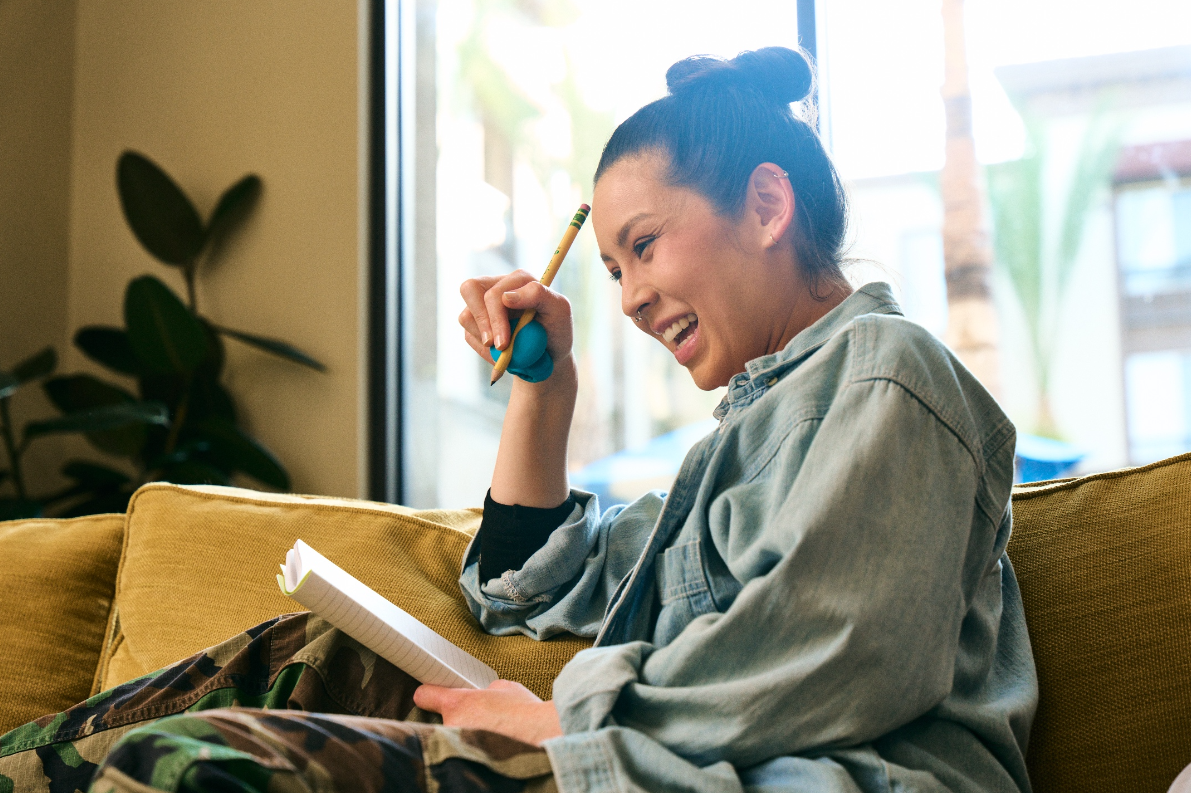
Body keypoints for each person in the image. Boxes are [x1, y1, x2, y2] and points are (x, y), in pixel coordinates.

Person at [0, 46, 1036, 793]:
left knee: (175, 767)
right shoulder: (741, 440)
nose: (628, 296)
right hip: (653, 760)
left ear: (767, 208)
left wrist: (568, 720)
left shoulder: (888, 380)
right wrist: (546, 389)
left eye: (644, 244)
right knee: (308, 650)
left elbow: (836, 652)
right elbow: (532, 582)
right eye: (613, 266)